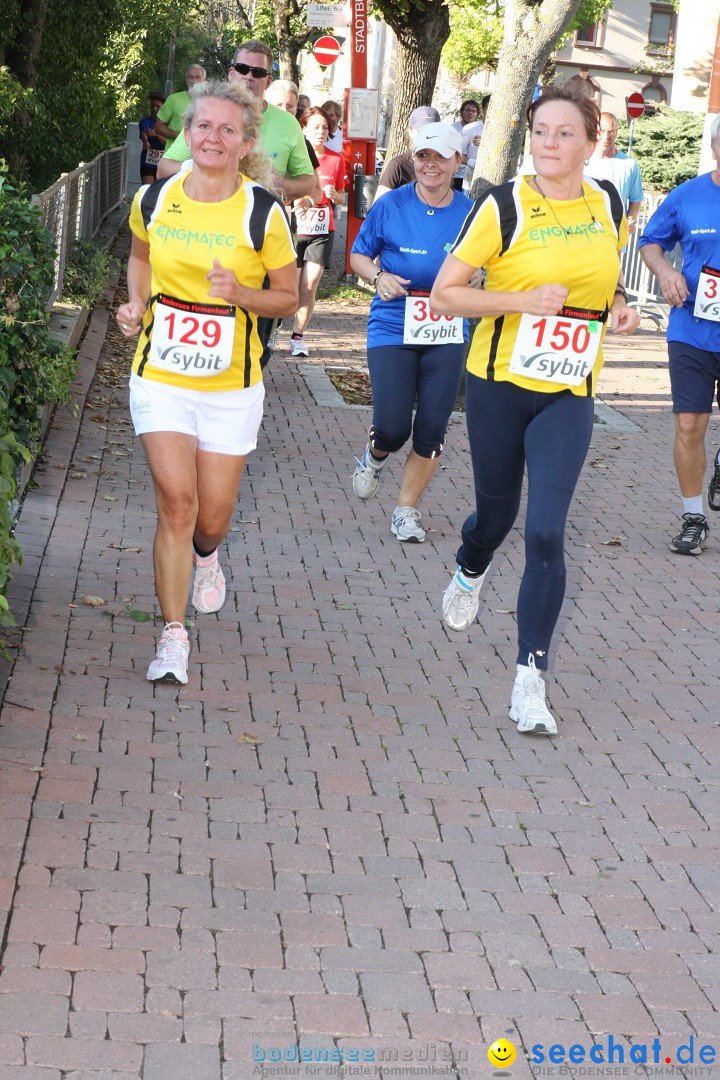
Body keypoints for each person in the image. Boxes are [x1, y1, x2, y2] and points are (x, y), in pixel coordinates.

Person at [430, 83, 640, 736]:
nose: (550, 143)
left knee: (547, 530)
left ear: (589, 142)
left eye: (564, 133)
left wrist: (620, 304)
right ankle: (471, 564)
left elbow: (600, 279)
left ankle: (529, 681)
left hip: (568, 391)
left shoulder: (607, 201)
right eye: (541, 131)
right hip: (498, 386)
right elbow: (445, 296)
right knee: (497, 516)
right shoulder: (503, 207)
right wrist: (520, 302)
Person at [115, 81, 298, 685]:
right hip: (161, 373)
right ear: (186, 132)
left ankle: (207, 554)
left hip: (231, 384)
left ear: (246, 143)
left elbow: (287, 297)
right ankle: (173, 635)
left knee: (211, 516)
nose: (212, 138)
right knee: (176, 501)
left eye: (227, 130)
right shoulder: (158, 197)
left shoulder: (262, 212)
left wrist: (241, 294)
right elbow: (140, 256)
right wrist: (136, 302)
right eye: (202, 127)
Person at [349, 123, 473, 543]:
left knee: (432, 428)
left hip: (447, 327)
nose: (431, 165)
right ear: (413, 159)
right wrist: (379, 275)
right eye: (423, 156)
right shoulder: (391, 205)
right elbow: (359, 255)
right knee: (393, 425)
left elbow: (490, 265)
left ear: (459, 161)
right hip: (393, 321)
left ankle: (406, 511)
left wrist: (479, 282)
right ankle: (375, 454)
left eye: (440, 156)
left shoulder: (473, 213)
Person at [638, 113, 720, 556]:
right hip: (692, 327)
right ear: (714, 147)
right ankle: (693, 517)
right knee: (690, 423)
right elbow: (650, 242)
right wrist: (666, 270)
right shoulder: (687, 196)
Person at [158, 40, 315, 203]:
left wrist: (282, 186)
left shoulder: (287, 122)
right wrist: (196, 167)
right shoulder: (207, 113)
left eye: (258, 72)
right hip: (208, 220)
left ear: (268, 80)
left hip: (260, 220)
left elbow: (309, 182)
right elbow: (164, 169)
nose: (248, 76)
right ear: (231, 73)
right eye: (242, 69)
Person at [288, 107, 346, 357]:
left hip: (323, 228)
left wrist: (335, 195)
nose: (321, 132)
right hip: (294, 229)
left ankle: (297, 337)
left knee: (309, 287)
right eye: (315, 127)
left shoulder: (336, 159)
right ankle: (271, 331)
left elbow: (343, 196)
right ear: (303, 128)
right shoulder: (295, 157)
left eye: (324, 127)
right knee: (290, 287)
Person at [586, 112, 643, 233]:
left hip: (615, 236)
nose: (606, 136)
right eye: (601, 131)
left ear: (616, 132)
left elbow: (636, 199)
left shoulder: (629, 165)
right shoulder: (582, 161)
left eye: (611, 131)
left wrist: (630, 220)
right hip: (585, 234)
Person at [374, 106, 441, 200]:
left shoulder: (444, 164)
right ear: (410, 132)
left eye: (431, 130)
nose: (426, 135)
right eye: (420, 131)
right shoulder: (398, 165)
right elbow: (379, 207)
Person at [154, 64, 206, 150]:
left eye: (197, 77)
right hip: (174, 157)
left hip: (200, 157)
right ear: (186, 79)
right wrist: (179, 136)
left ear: (204, 79)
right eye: (190, 77)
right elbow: (157, 127)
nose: (194, 81)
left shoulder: (210, 102)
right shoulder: (173, 99)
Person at [451, 99, 483, 191]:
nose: (470, 113)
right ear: (462, 112)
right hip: (455, 174)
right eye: (467, 110)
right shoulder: (453, 128)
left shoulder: (481, 129)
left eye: (474, 111)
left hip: (472, 175)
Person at [139, 91, 166, 185]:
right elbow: (143, 134)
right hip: (147, 162)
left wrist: (157, 135)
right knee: (147, 190)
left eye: (157, 106)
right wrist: (146, 142)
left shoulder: (168, 124)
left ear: (163, 107)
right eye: (152, 106)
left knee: (159, 192)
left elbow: (167, 143)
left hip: (163, 163)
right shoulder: (144, 121)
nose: (154, 109)